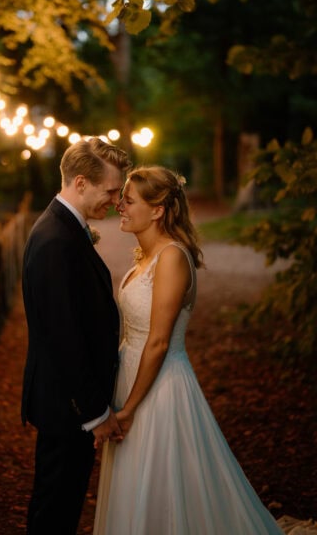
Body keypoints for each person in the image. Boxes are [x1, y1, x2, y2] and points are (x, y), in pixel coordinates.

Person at [93, 166, 285, 535]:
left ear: (158, 209)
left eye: (129, 200)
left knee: (163, 483)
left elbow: (160, 341)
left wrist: (129, 409)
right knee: (134, 482)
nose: (120, 206)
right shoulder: (143, 257)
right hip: (130, 374)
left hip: (160, 387)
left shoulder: (172, 258)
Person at [21, 137, 131, 535]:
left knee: (62, 503)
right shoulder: (55, 240)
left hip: (67, 402)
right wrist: (95, 412)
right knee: (55, 507)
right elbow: (62, 337)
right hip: (66, 404)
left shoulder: (66, 228)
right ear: (81, 183)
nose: (116, 201)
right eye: (111, 191)